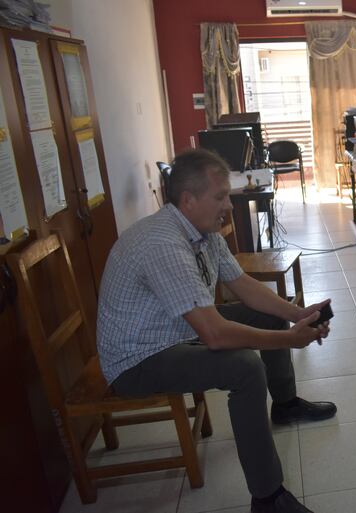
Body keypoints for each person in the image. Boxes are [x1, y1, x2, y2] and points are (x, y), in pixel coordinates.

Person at [97, 149, 334, 513]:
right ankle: (268, 499)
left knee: (268, 315)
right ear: (188, 200)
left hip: (174, 329)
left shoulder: (201, 231)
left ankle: (285, 405)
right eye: (220, 197)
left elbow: (243, 285)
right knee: (245, 368)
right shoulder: (163, 244)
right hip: (137, 360)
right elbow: (215, 335)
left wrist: (298, 314)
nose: (229, 205)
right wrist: (290, 339)